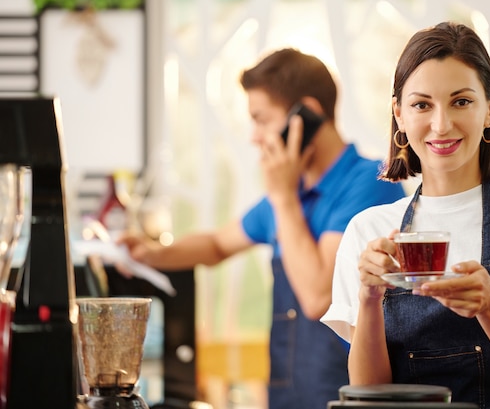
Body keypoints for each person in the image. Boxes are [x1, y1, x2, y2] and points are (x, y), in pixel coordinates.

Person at [320, 21, 490, 409]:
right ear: (399, 115)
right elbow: (369, 394)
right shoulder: (368, 229)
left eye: (461, 101)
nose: (441, 124)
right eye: (421, 105)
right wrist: (368, 296)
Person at [117, 48, 406, 409]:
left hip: (343, 394)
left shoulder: (370, 182)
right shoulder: (289, 193)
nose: (254, 137)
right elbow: (217, 245)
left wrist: (283, 197)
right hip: (287, 394)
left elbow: (318, 297)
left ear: (308, 115)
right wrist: (151, 253)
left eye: (261, 119)